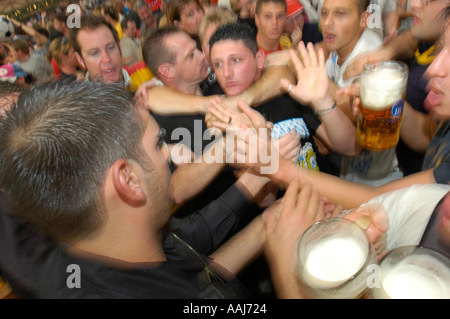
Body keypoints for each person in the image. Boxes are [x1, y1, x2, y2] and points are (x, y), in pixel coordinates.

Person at [208, 22, 359, 174]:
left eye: (235, 60)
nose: (226, 73)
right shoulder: (223, 120)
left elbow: (350, 147)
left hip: (329, 190)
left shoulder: (286, 92)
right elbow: (254, 196)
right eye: (218, 64)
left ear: (259, 60)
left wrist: (322, 100)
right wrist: (267, 164)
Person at [343, 0, 449, 176]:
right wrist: (388, 99)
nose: (414, 3)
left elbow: (380, 195)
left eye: (428, 0)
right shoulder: (428, 38)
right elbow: (428, 136)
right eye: (441, 48)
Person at [68, 15, 132, 88]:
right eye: (94, 53)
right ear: (80, 59)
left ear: (119, 46)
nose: (107, 59)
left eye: (110, 47)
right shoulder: (81, 99)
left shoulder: (143, 78)